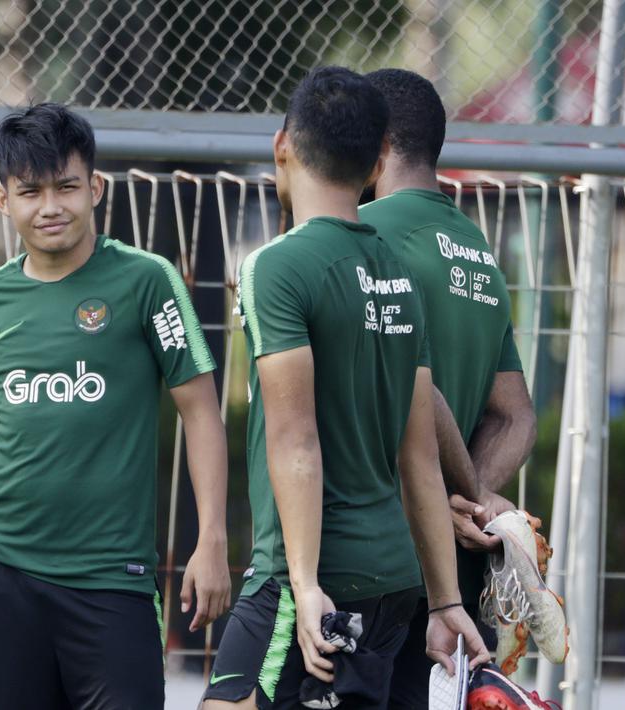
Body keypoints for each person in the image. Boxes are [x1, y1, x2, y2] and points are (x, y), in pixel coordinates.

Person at [0, 103, 231, 709]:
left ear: (95, 188)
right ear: (3, 200)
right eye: (30, 192)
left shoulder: (146, 280)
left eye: (66, 187)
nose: (50, 207)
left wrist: (212, 541)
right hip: (7, 576)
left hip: (114, 580)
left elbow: (202, 414)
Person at [202, 67, 489, 710]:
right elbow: (419, 455)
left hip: (308, 577)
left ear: (282, 145)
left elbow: (295, 438)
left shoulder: (274, 266)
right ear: (375, 163)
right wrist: (443, 601)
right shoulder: (396, 271)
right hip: (394, 582)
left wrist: (303, 585)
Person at [360, 68, 541, 708]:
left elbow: (412, 386)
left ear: (375, 142)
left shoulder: (363, 236)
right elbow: (516, 415)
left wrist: (453, 498)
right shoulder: (476, 250)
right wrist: (473, 501)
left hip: (373, 547)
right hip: (454, 571)